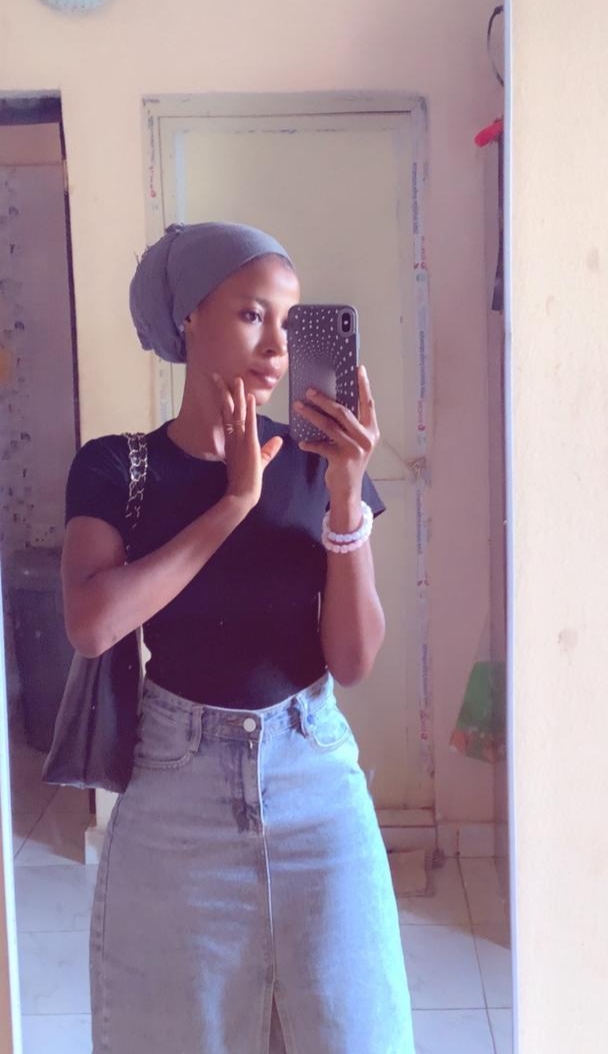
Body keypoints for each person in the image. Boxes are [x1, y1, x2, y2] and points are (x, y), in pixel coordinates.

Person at [61, 222, 415, 1053]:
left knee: (356, 1032)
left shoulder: (318, 463)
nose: (279, 346)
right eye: (254, 315)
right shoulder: (116, 467)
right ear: (189, 316)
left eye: (290, 321)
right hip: (174, 796)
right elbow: (93, 624)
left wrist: (346, 500)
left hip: (315, 783)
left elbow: (354, 660)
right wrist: (232, 504)